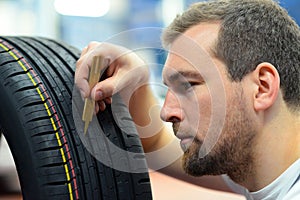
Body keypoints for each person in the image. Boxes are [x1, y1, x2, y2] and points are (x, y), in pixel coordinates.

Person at [75, 0, 300, 199]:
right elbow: (156, 145)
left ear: (262, 87)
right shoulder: (261, 167)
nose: (166, 112)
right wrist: (138, 82)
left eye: (188, 85)